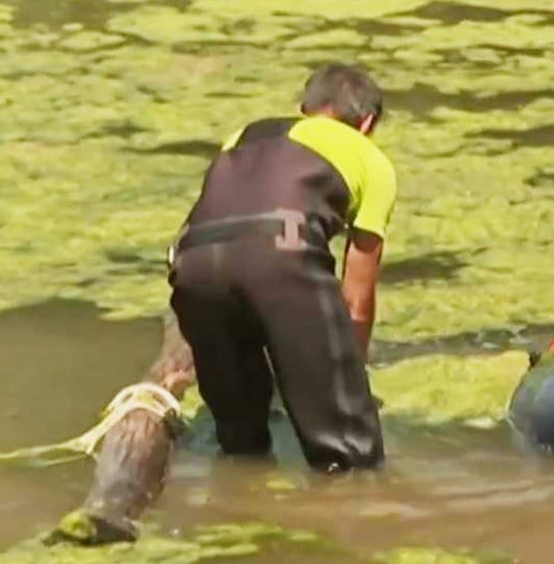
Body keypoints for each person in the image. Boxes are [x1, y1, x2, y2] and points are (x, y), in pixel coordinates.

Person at [167, 62, 397, 472]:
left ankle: (239, 519)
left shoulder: (242, 135)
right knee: (351, 461)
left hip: (192, 262)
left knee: (240, 448)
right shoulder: (370, 158)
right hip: (281, 258)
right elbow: (356, 299)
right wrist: (349, 375)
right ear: (366, 123)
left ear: (302, 108)